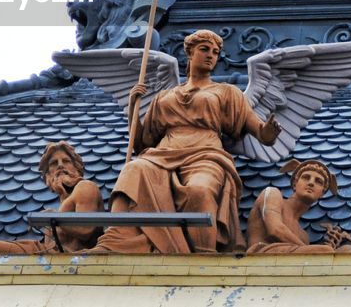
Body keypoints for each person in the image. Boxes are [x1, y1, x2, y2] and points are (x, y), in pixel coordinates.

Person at [91, 29, 281, 253]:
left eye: (216, 52)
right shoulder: (163, 96)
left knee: (199, 190)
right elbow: (143, 143)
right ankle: (116, 239)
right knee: (134, 168)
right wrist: (133, 106)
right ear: (189, 53)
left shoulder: (228, 92)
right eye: (204, 49)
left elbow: (260, 133)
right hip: (163, 153)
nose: (211, 55)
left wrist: (268, 131)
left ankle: (203, 253)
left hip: (205, 154)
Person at [248, 158, 351, 260]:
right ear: (295, 183)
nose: (311, 183)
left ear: (322, 192)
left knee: (348, 250)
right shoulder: (272, 193)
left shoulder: (303, 235)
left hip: (286, 261)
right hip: (261, 255)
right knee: (326, 251)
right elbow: (276, 229)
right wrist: (319, 252)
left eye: (318, 181)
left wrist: (328, 248)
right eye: (306, 177)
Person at [0, 141, 103, 253]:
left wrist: (53, 219)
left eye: (66, 161)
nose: (60, 166)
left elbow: (86, 229)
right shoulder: (62, 205)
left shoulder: (85, 186)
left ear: (77, 168)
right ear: (48, 175)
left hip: (68, 258)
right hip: (50, 253)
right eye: (54, 163)